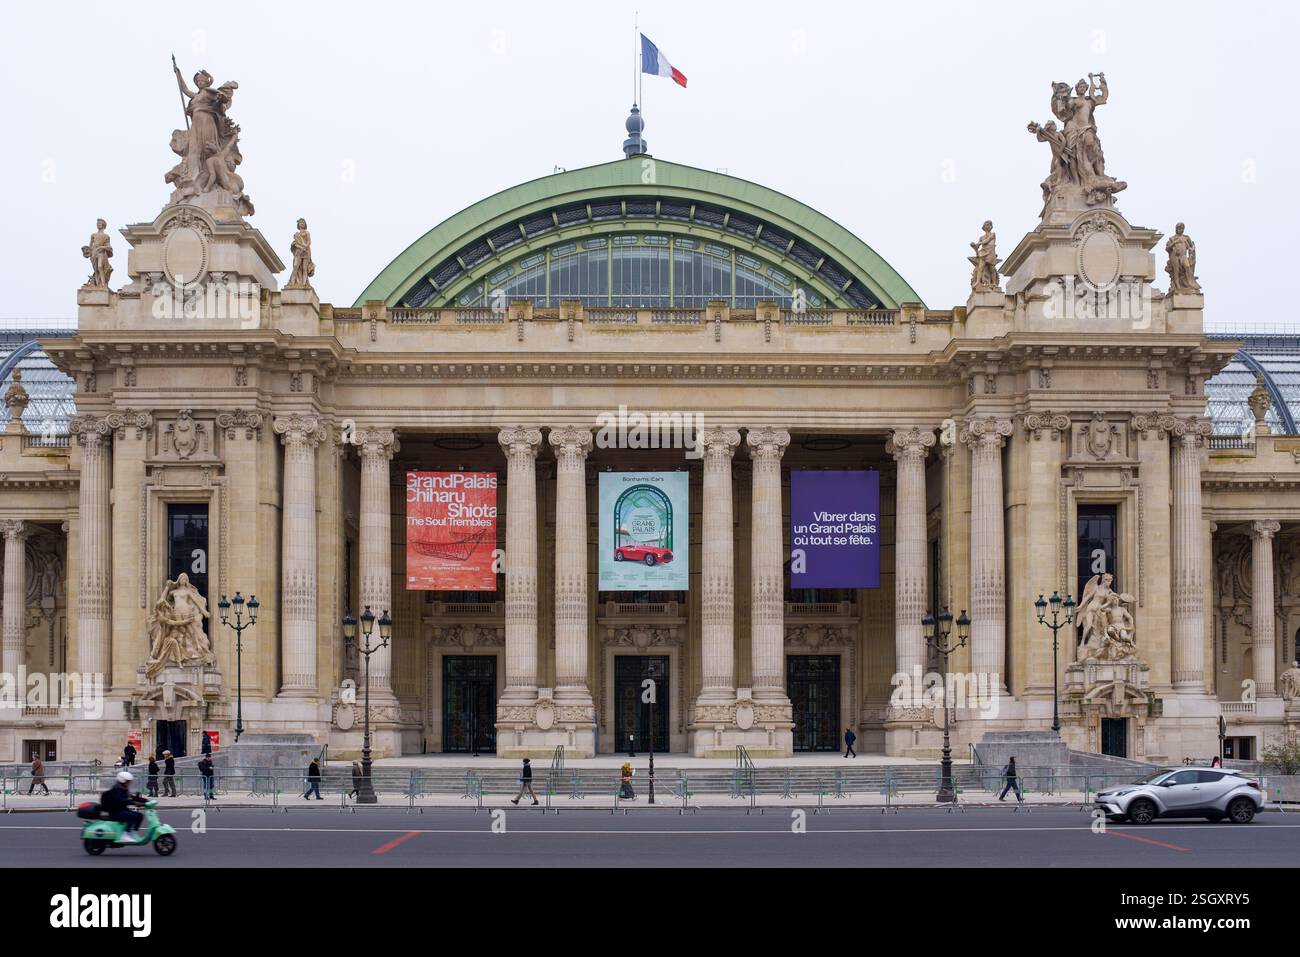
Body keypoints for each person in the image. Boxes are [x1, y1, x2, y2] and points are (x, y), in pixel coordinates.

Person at [100, 771, 147, 843]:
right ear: (123, 780)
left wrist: (146, 801)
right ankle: (124, 835)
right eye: (128, 781)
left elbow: (132, 797)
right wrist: (134, 803)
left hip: (121, 810)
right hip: (115, 812)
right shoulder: (116, 789)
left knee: (139, 816)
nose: (129, 783)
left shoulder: (123, 788)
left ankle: (132, 832)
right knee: (132, 816)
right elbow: (121, 800)